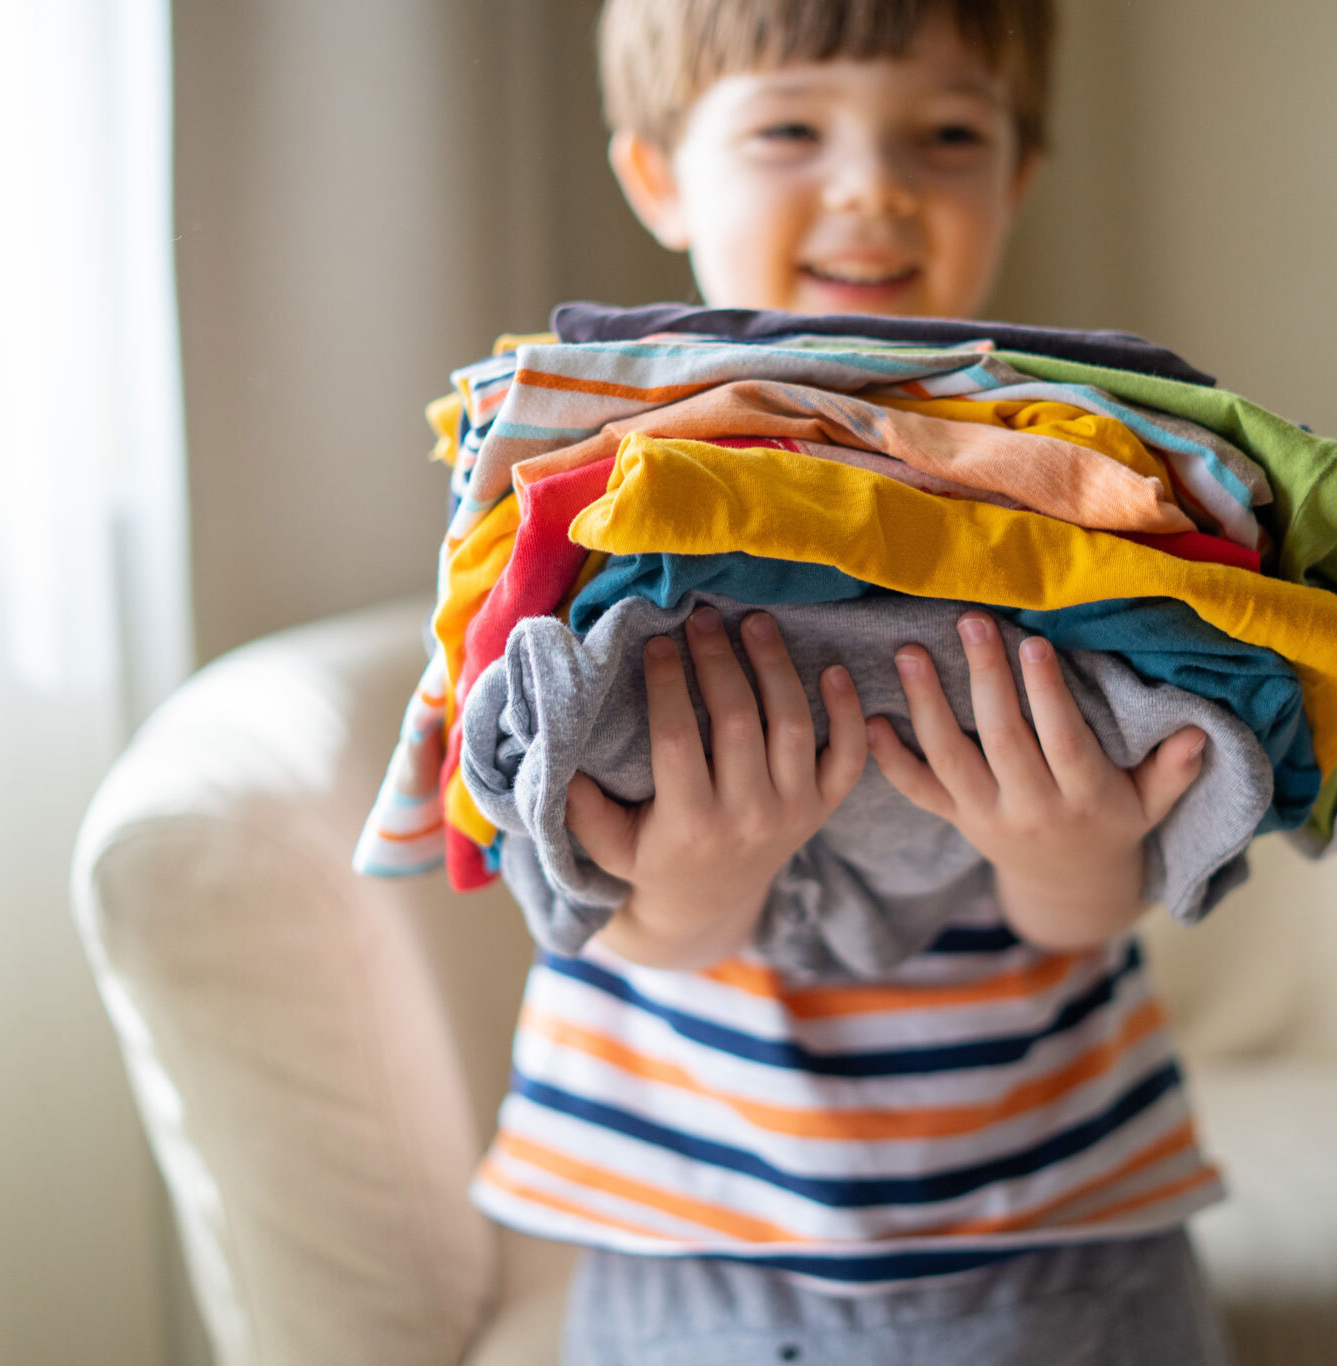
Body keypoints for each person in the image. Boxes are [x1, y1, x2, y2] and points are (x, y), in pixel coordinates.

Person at [512, 2, 1234, 1360]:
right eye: (791, 126)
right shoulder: (585, 469)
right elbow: (569, 874)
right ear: (660, 173)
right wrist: (697, 883)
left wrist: (1072, 851)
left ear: (1016, 171)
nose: (873, 185)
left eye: (947, 133)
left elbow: (1090, 910)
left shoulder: (1078, 472)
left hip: (1061, 1224)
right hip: (691, 1229)